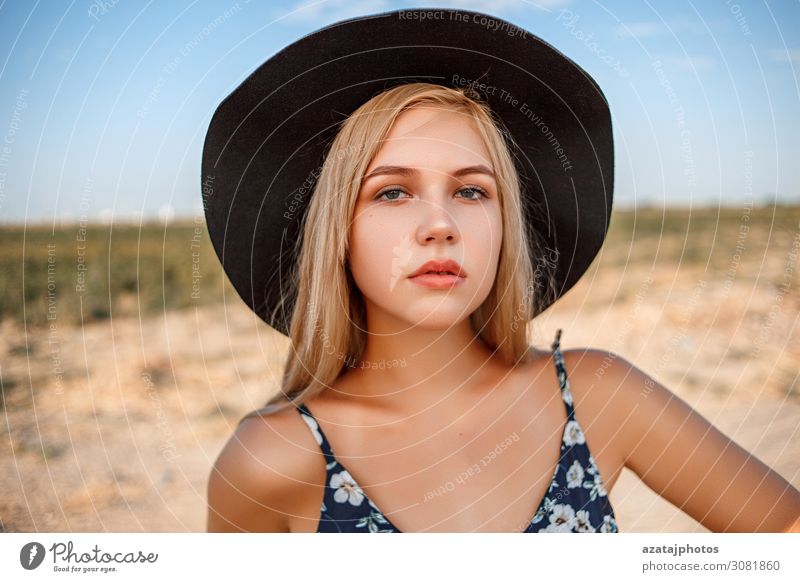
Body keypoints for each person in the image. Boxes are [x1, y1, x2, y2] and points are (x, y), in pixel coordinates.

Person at [202, 8, 800, 533]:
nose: (440, 224)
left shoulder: (597, 399)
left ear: (505, 224)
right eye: (390, 193)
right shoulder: (271, 460)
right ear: (337, 231)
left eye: (470, 191)